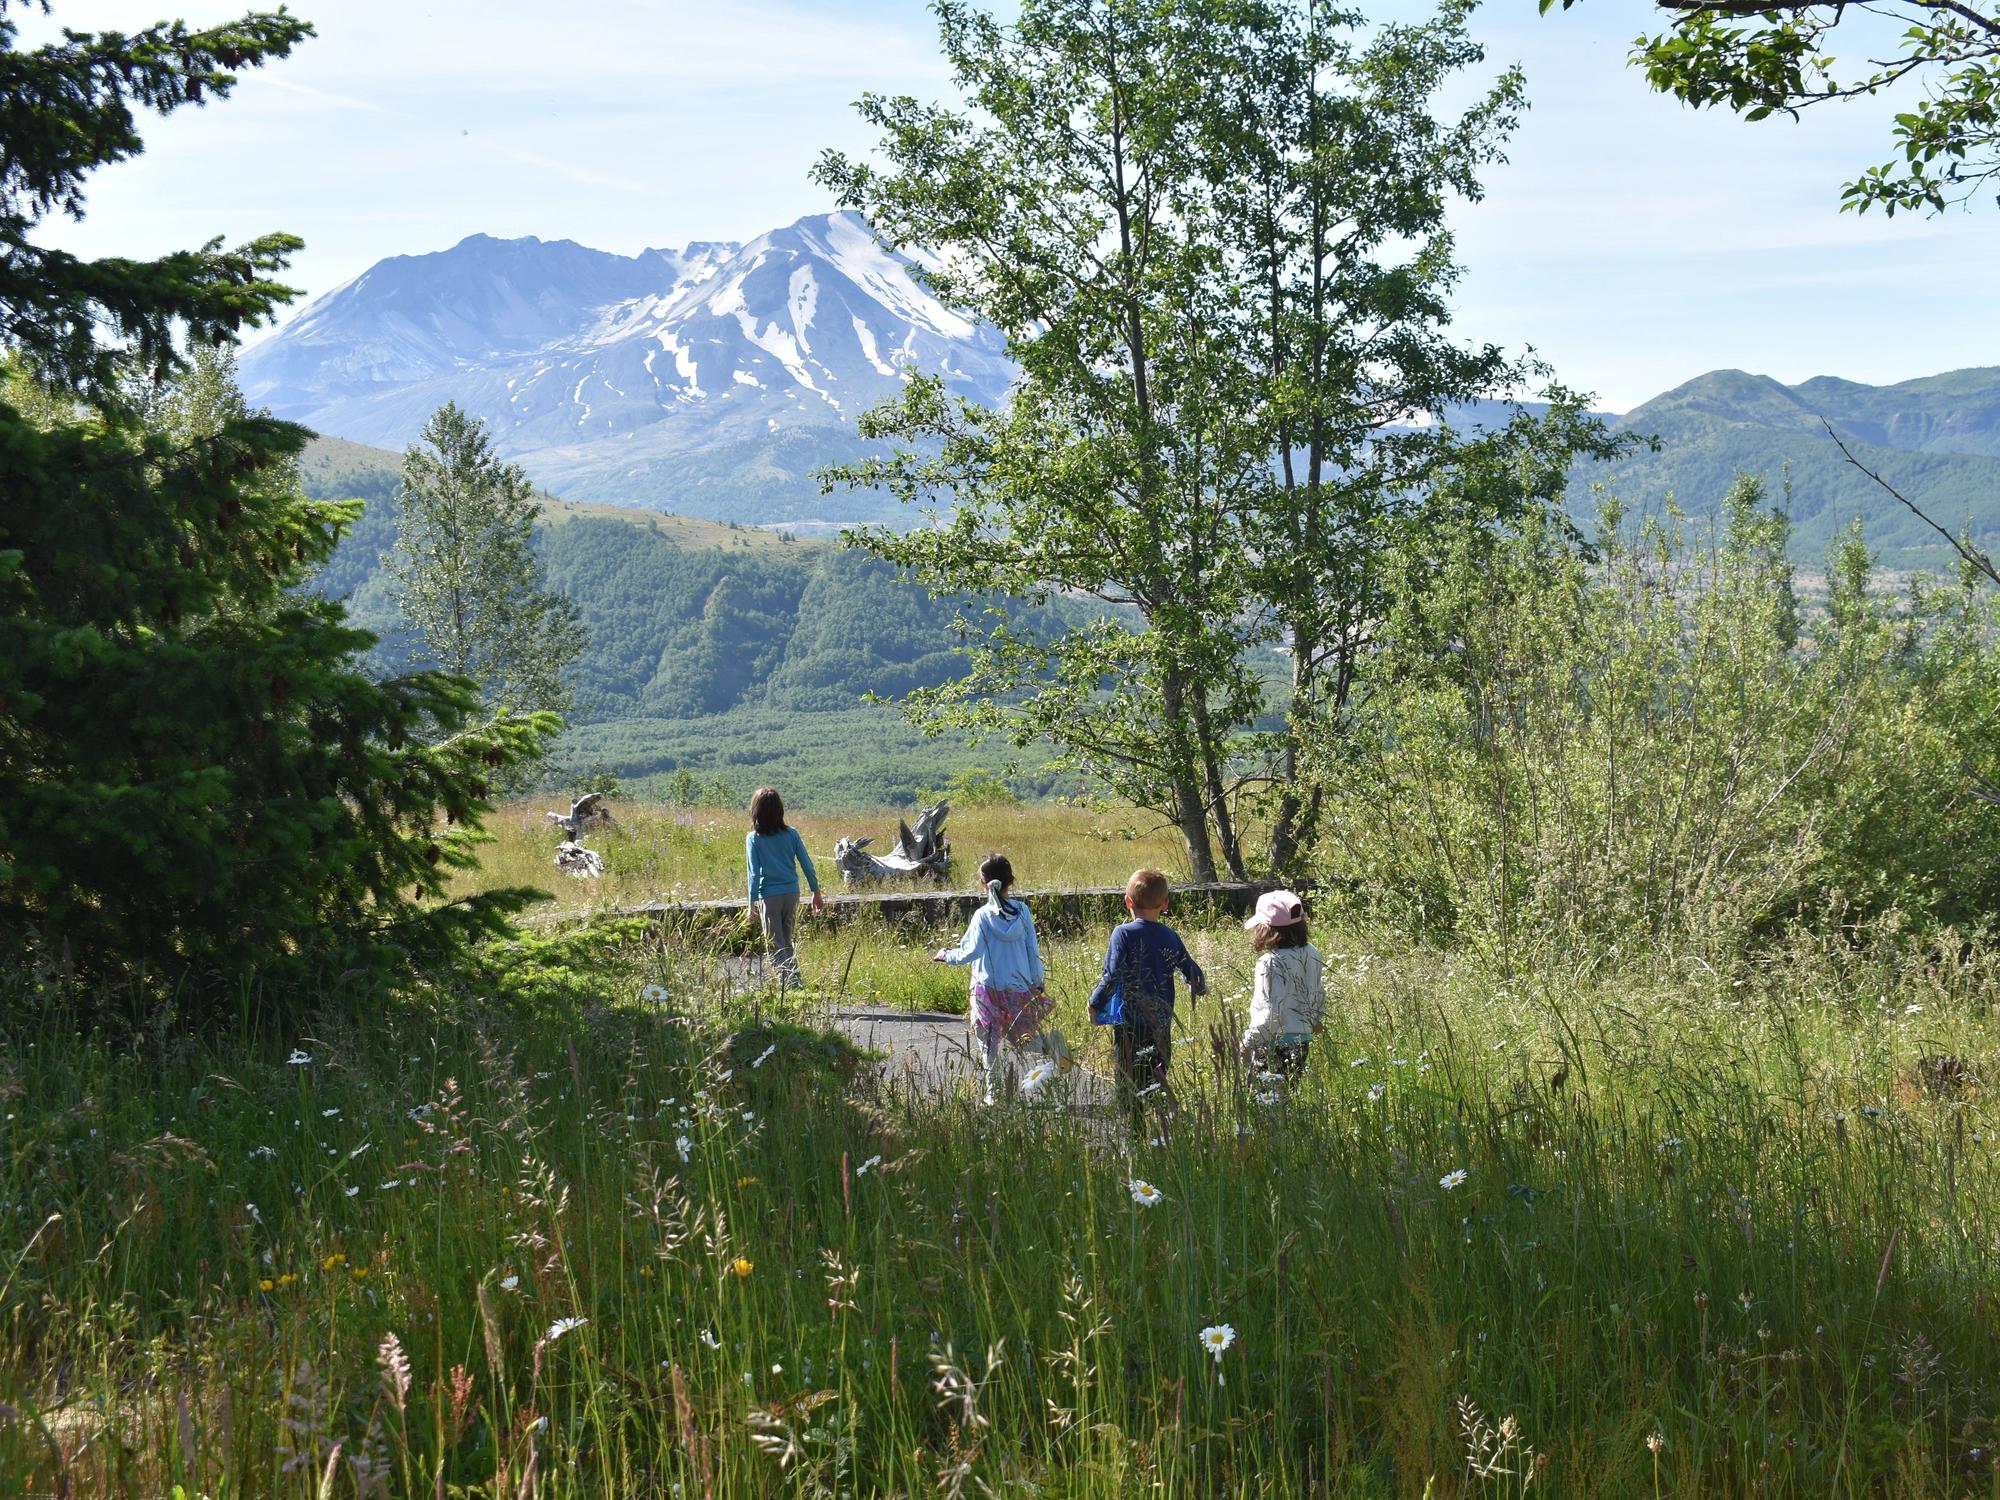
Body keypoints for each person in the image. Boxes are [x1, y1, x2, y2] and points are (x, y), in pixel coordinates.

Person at [934, 853, 1070, 1104]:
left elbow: (971, 953)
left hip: (987, 990)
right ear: (1011, 881)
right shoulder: (1022, 912)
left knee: (988, 1043)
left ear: (983, 885)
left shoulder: (982, 916)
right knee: (1022, 1039)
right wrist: (1037, 980)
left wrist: (947, 955)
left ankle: (994, 1093)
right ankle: (1051, 1046)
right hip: (1019, 988)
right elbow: (1032, 949)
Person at [1087, 868, 1206, 1116]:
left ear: (1127, 902)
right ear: (1164, 904)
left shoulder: (1123, 933)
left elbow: (1113, 974)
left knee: (1129, 1084)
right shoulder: (1170, 935)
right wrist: (1199, 986)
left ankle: (1136, 1137)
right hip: (1162, 1023)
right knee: (1156, 1080)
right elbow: (1191, 970)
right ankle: (1166, 1130)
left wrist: (1095, 1003)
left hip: (1130, 1024)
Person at [1237, 889, 1325, 1080]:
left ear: (1265, 929)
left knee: (1264, 1098)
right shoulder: (1312, 953)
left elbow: (1270, 1013)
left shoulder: (1270, 962)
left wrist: (1247, 1043)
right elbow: (1317, 992)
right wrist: (1314, 1019)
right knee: (1288, 1095)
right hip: (1301, 1041)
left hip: (1272, 1042)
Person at [744, 786, 822, 985]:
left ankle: (788, 986)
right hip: (792, 893)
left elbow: (754, 874)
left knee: (775, 944)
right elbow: (806, 864)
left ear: (756, 811)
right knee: (787, 941)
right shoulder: (792, 834)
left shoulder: (754, 838)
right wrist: (816, 892)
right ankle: (795, 982)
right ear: (780, 810)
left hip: (769, 896)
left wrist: (751, 903)